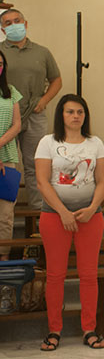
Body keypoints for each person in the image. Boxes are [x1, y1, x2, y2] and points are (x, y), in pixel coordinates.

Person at [35, 94, 104, 351]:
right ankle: (54, 331)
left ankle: (89, 329)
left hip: (90, 217)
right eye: (70, 112)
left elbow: (102, 181)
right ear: (61, 115)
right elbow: (43, 182)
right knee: (56, 275)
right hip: (55, 216)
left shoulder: (95, 143)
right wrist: (63, 212)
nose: (76, 116)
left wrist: (91, 208)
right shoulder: (47, 143)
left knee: (89, 275)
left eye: (80, 111)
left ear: (85, 115)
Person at [0, 8, 62, 210]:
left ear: (25, 24)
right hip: (5, 116)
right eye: (8, 23)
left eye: (17, 21)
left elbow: (56, 80)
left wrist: (44, 100)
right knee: (6, 164)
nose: (13, 25)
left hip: (34, 115)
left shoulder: (42, 52)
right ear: (2, 29)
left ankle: (38, 210)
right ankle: (6, 208)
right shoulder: (1, 52)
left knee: (36, 164)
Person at [0, 49, 22, 258]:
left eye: (0, 63)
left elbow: (17, 125)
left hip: (7, 158)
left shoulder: (11, 91)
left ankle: (3, 258)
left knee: (6, 215)